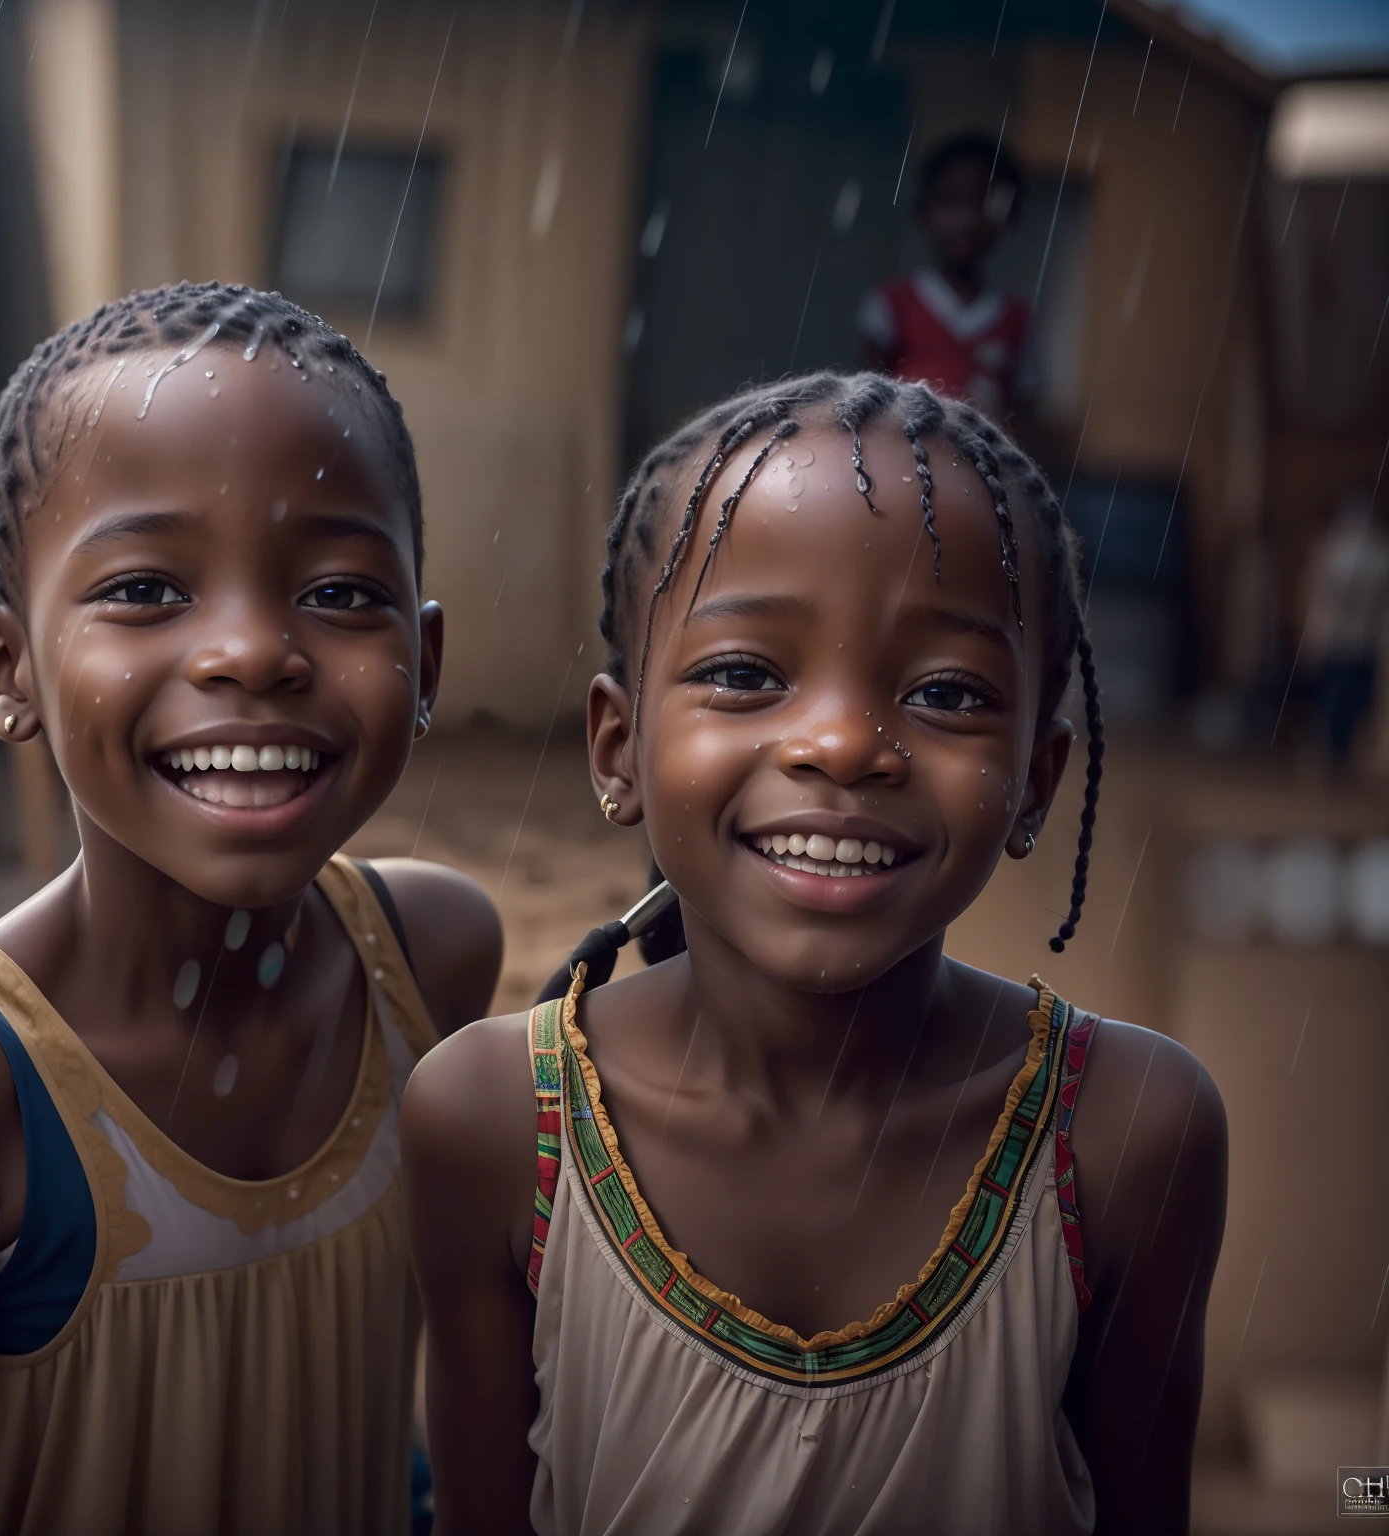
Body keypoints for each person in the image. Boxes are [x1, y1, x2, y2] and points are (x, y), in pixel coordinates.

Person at [403, 373, 1227, 1536]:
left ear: (1037, 781)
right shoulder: (490, 1121)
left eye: (946, 691)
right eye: (745, 673)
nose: (844, 743)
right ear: (618, 749)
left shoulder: (1129, 1134)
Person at [0, 282, 502, 1535]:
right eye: (148, 591)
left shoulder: (436, 960)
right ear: (7, 670)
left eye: (342, 594)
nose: (254, 653)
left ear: (425, 663)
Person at [859, 134, 1035, 424]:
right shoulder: (891, 304)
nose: (967, 220)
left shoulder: (1018, 320)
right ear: (924, 212)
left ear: (1010, 218)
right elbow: (866, 402)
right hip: (903, 460)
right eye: (951, 201)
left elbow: (1025, 417)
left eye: (984, 203)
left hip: (984, 466)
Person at [1301, 490, 1389, 768]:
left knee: (1340, 703)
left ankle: (1334, 753)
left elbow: (1317, 597)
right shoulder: (1375, 549)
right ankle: (1334, 753)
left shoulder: (1334, 548)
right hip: (1355, 643)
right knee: (1343, 703)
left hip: (1347, 642)